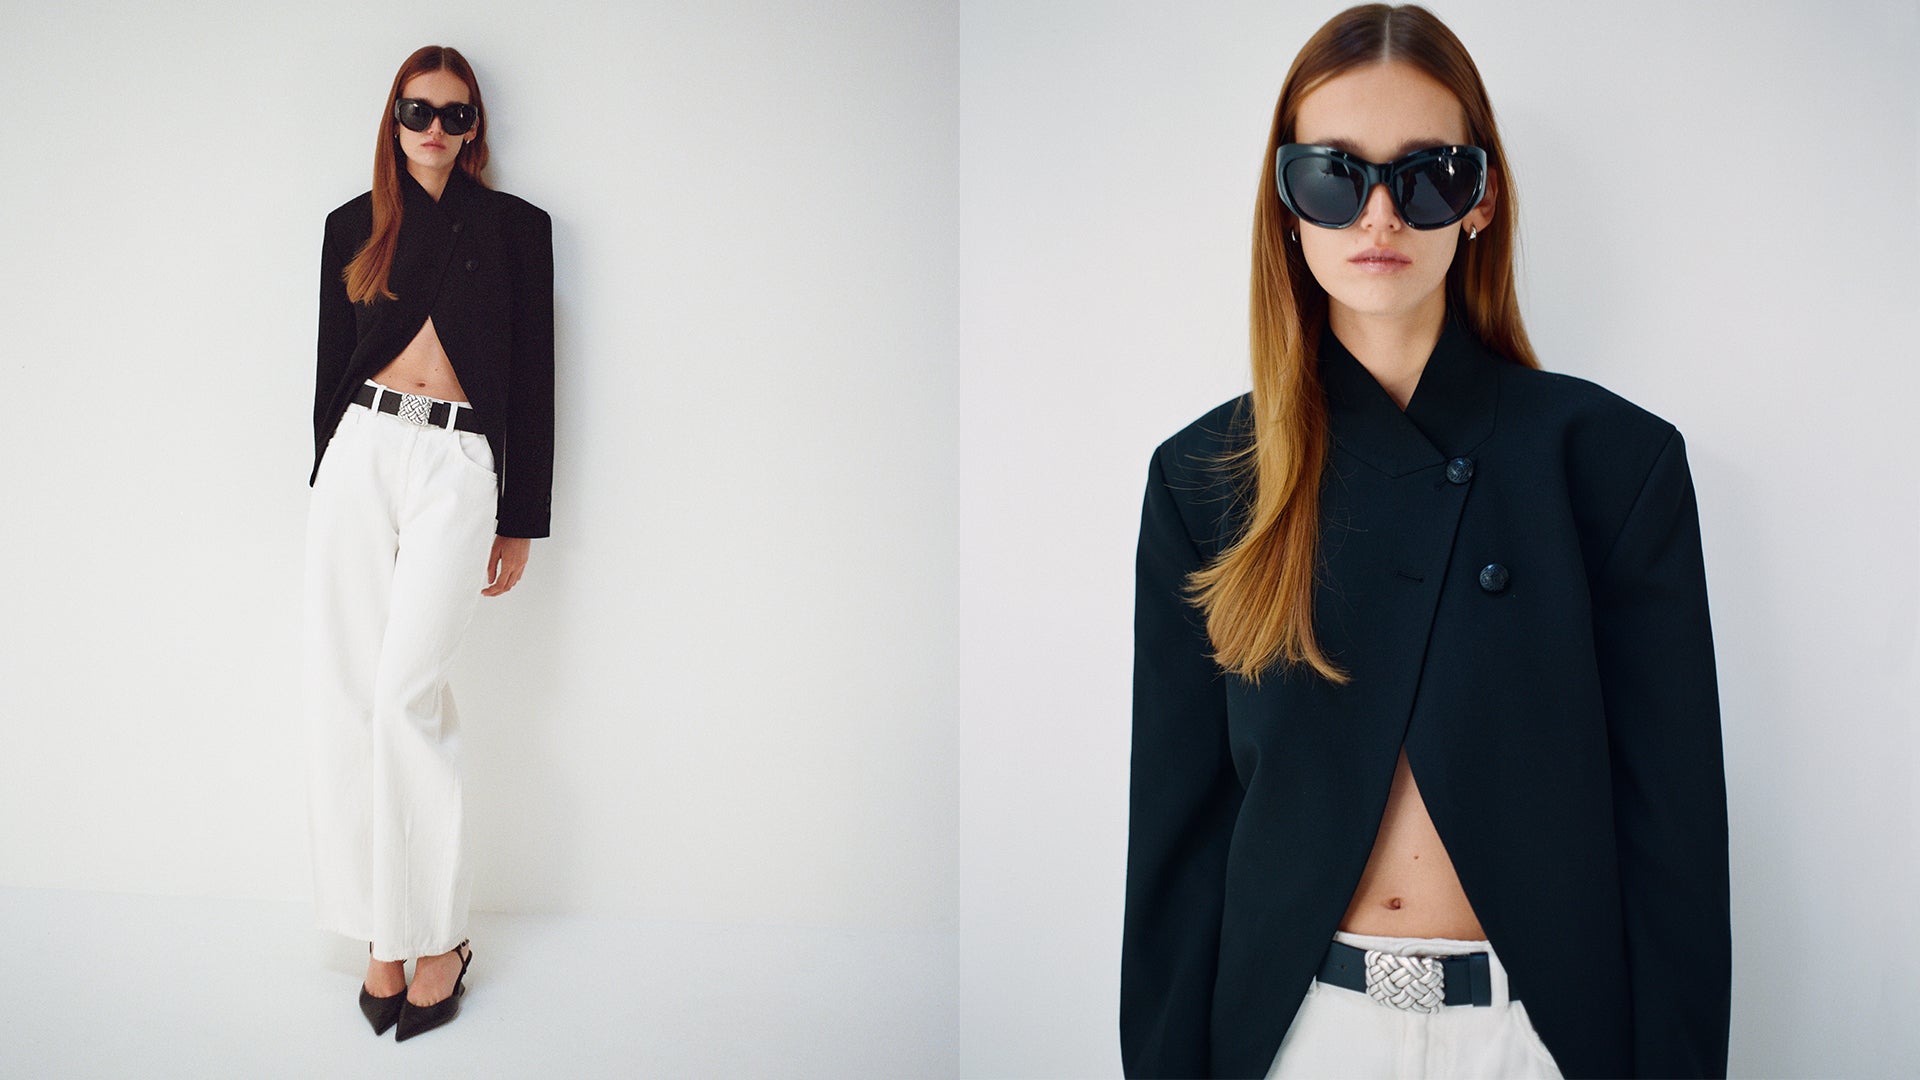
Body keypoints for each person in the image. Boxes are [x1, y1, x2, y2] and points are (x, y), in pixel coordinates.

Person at [1119, 6, 1729, 1078]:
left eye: (1430, 173)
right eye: (1334, 175)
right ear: (1287, 204)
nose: (1383, 215)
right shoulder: (1207, 481)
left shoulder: (1613, 466)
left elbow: (1674, 845)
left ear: (1482, 198)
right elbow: (1177, 851)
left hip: (1532, 1039)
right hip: (1297, 1039)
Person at [304, 43, 554, 1042]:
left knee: (409, 693)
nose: (435, 132)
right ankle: (380, 935)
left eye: (454, 115)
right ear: (393, 119)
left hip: (459, 468)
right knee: (347, 696)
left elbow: (533, 376)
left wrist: (521, 516)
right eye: (418, 112)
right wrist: (325, 475)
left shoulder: (515, 230)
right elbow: (326, 370)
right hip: (359, 456)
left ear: (476, 126)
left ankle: (438, 937)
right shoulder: (350, 227)